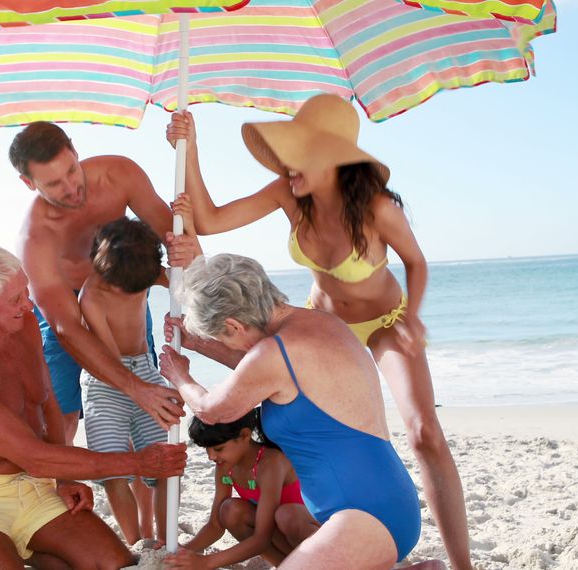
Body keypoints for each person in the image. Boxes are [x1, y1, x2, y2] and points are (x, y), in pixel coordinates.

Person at [165, 94, 473, 569]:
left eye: (298, 158)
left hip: (384, 321)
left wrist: (414, 318)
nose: (288, 170)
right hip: (321, 317)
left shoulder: (377, 208)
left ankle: (462, 565)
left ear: (333, 160)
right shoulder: (290, 194)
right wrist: (190, 147)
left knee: (423, 431)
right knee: (276, 388)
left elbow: (415, 260)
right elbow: (210, 218)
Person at [158, 252, 435, 569]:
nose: (228, 345)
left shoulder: (273, 352)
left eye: (222, 337)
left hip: (364, 517)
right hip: (382, 499)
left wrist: (180, 376)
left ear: (234, 324)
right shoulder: (318, 323)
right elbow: (261, 375)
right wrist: (202, 344)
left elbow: (211, 410)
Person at [0, 242, 187, 570]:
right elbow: (33, 456)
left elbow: (45, 400)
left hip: (32, 486)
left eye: (26, 290)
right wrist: (138, 463)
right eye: (16, 299)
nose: (29, 303)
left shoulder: (26, 324)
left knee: (115, 563)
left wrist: (63, 479)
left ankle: (23, 552)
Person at [11, 121, 184, 442]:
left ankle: (142, 484)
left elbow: (175, 241)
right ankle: (65, 485)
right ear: (28, 182)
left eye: (72, 171)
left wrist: (194, 301)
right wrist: (136, 388)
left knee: (139, 410)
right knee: (61, 414)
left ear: (75, 151)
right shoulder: (35, 238)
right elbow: (67, 328)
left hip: (122, 291)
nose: (71, 187)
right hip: (64, 307)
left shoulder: (119, 175)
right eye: (54, 183)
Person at [78, 217, 174, 546]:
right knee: (113, 471)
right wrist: (138, 391)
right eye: (127, 288)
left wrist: (182, 317)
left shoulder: (138, 270)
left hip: (144, 367)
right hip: (106, 378)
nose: (135, 292)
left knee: (165, 463)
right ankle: (137, 546)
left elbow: (182, 280)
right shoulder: (91, 296)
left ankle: (165, 541)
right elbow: (106, 361)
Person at [165, 409, 318, 570]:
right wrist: (181, 552)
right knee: (230, 510)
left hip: (311, 532)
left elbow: (262, 539)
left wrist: (206, 562)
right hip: (281, 537)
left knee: (286, 515)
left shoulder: (270, 463)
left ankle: (317, 565)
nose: (211, 456)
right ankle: (286, 565)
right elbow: (215, 526)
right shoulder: (225, 466)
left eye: (218, 449)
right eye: (207, 449)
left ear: (245, 435)